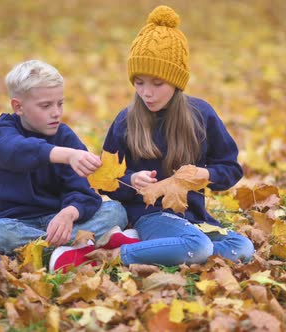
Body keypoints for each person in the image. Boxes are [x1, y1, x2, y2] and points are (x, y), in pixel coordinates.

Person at [93, 5, 254, 266]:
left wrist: (208, 175)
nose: (147, 93)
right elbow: (105, 181)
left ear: (177, 82)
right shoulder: (126, 120)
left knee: (242, 248)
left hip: (194, 217)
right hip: (149, 216)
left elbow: (230, 167)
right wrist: (131, 179)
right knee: (198, 246)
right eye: (139, 82)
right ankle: (110, 256)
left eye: (158, 84)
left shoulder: (201, 115)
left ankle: (150, 248)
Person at [0, 60, 133, 271]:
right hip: (18, 222)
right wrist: (65, 155)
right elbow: (14, 150)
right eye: (46, 106)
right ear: (18, 107)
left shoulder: (64, 136)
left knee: (115, 211)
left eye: (60, 103)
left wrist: (69, 213)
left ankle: (46, 252)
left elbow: (84, 190)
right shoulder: (2, 131)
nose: (56, 112)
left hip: (63, 221)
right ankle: (81, 248)